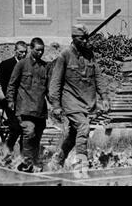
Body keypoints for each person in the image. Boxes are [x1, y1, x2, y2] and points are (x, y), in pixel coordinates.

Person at [48, 24, 110, 171]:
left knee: (73, 134)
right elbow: (55, 82)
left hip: (87, 102)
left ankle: (57, 160)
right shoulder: (65, 56)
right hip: (70, 102)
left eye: (86, 38)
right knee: (83, 127)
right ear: (74, 38)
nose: (85, 41)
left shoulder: (90, 54)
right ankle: (81, 162)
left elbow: (98, 76)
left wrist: (105, 97)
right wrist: (56, 105)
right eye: (82, 38)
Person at [5, 38, 49, 173]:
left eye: (42, 50)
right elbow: (12, 84)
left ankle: (33, 162)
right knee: (29, 133)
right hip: (24, 108)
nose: (40, 52)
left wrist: (55, 104)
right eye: (37, 50)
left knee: (37, 137)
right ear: (31, 48)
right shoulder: (22, 65)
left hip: (40, 110)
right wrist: (10, 101)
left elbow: (48, 88)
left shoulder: (45, 66)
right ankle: (26, 165)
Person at [0, 41, 27, 163]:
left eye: (25, 52)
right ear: (15, 51)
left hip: (25, 102)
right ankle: (7, 150)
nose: (23, 55)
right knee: (16, 127)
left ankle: (23, 156)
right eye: (21, 52)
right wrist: (9, 101)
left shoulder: (28, 64)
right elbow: (2, 85)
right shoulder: (6, 64)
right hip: (10, 101)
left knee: (26, 128)